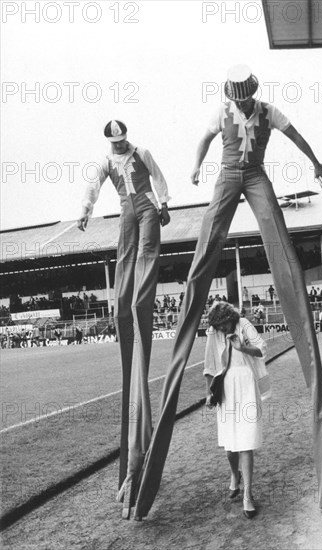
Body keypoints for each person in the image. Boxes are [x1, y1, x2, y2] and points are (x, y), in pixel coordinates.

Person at [132, 65, 322, 520]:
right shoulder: (222, 111)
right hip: (228, 176)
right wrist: (193, 167)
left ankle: (288, 269)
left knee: (277, 235)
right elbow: (206, 139)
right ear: (232, 96)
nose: (244, 105)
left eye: (247, 100)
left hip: (255, 176)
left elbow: (297, 134)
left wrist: (315, 161)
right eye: (239, 100)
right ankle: (195, 284)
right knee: (209, 237)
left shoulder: (269, 111)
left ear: (254, 96)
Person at [76, 120, 171, 509]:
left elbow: (159, 178)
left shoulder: (141, 153)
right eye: (115, 143)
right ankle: (126, 291)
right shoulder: (105, 162)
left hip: (148, 203)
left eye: (122, 141)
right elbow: (92, 187)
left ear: (127, 138)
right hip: (126, 209)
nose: (120, 146)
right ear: (108, 142)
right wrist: (84, 211)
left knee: (147, 245)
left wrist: (164, 204)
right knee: (126, 247)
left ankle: (141, 290)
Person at [204, 302, 270, 519]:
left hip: (247, 384)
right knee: (230, 444)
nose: (223, 329)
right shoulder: (214, 332)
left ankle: (248, 496)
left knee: (246, 441)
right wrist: (209, 393)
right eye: (219, 326)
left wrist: (242, 347)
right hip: (226, 387)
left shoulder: (243, 324)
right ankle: (235, 475)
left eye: (224, 324)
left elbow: (262, 348)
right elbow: (210, 364)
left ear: (231, 317)